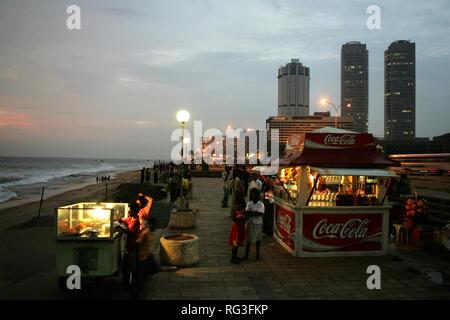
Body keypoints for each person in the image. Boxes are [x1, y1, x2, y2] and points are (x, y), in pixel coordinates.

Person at [117, 203, 141, 290]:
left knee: (131, 268)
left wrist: (122, 228)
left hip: (132, 248)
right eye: (128, 210)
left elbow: (132, 233)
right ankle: (127, 284)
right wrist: (118, 220)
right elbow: (123, 220)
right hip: (127, 248)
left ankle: (132, 287)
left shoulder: (136, 221)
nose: (128, 212)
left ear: (135, 211)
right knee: (125, 268)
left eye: (130, 211)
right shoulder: (130, 219)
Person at [243, 188, 265, 260]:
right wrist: (252, 213)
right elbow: (246, 213)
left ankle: (257, 254)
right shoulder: (249, 203)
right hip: (250, 223)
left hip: (258, 223)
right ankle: (246, 255)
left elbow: (259, 213)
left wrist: (250, 213)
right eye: (252, 194)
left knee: (258, 240)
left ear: (257, 195)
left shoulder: (261, 204)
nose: (253, 196)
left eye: (254, 194)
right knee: (248, 240)